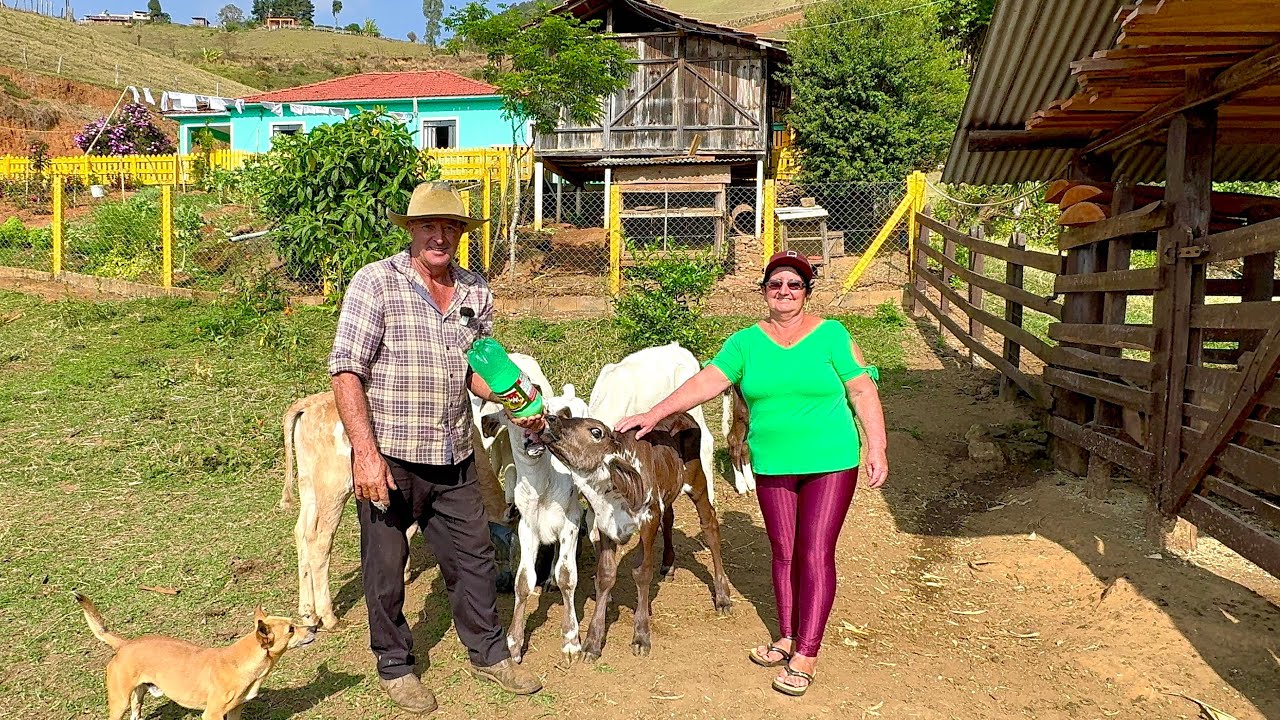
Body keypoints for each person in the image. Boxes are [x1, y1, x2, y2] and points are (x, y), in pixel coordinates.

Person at [616, 250, 889, 697]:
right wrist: (655, 413)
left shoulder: (832, 335)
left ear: (806, 292)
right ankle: (786, 635)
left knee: (815, 552)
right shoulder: (745, 342)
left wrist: (876, 444)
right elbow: (708, 381)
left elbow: (861, 388)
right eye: (776, 284)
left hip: (831, 460)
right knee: (783, 551)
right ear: (764, 291)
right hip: (773, 462)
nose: (785, 292)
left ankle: (807, 653)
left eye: (794, 284)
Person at [328, 181, 544, 714]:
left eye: (450, 227)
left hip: (453, 450)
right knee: (385, 563)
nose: (440, 236)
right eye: (430, 226)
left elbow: (476, 372)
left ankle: (490, 655)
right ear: (412, 231)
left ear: (460, 235)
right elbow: (346, 371)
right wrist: (366, 454)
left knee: (473, 557)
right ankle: (396, 665)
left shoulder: (475, 291)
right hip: (392, 453)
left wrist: (515, 394)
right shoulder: (375, 283)